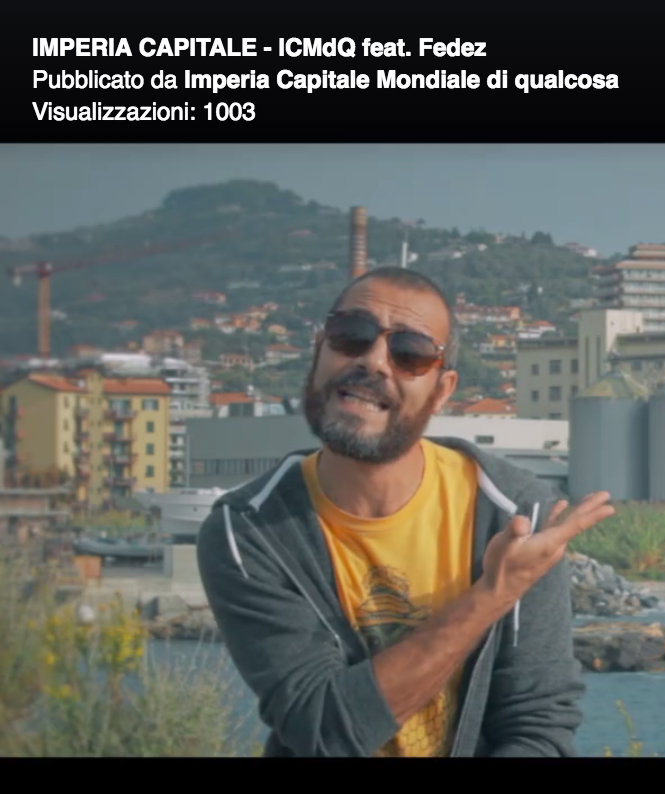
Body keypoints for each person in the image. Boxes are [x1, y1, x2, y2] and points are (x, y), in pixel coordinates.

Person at [195, 267, 614, 757]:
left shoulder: (514, 514)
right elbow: (324, 729)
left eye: (410, 353)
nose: (373, 361)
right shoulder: (248, 530)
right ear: (319, 350)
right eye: (351, 335)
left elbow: (538, 728)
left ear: (442, 390)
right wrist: (493, 595)